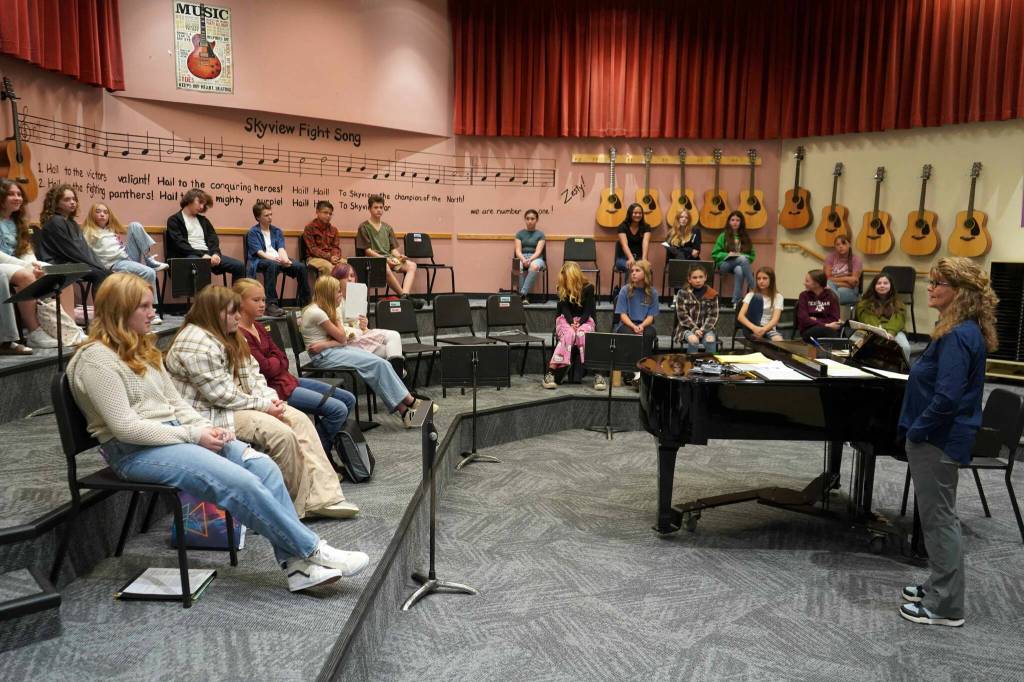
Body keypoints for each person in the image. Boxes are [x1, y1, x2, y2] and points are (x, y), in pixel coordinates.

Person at [66, 272, 369, 592]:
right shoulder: (95, 359)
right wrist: (193, 436)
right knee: (239, 480)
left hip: (173, 435)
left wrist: (201, 427)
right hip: (135, 451)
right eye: (144, 306)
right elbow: (126, 428)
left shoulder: (140, 349)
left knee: (262, 466)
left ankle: (296, 569)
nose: (153, 312)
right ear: (119, 310)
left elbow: (176, 403)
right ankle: (311, 550)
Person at [164, 285, 358, 520]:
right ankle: (292, 506)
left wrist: (270, 400)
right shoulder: (196, 343)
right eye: (232, 312)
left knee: (299, 419)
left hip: (238, 404)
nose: (238, 317)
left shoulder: (231, 334)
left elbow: (254, 375)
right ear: (212, 313)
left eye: (238, 311)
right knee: (281, 434)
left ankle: (323, 497)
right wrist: (265, 406)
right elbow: (221, 396)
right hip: (210, 414)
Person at [897, 257, 997, 628]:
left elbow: (947, 398)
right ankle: (939, 586)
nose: (930, 287)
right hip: (939, 436)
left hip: (938, 438)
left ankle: (946, 606)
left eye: (939, 283)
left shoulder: (957, 335)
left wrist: (918, 431)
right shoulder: (958, 328)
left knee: (939, 520)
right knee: (937, 517)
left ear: (960, 292)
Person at [234, 279, 356, 459]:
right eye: (256, 300)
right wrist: (277, 362)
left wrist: (276, 362)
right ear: (240, 302)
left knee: (348, 399)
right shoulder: (239, 334)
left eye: (264, 300)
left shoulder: (258, 326)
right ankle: (318, 457)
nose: (262, 305)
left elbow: (283, 358)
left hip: (287, 379)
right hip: (274, 390)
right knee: (337, 409)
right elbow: (265, 369)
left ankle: (316, 446)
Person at [301, 275, 431, 428]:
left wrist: (324, 343)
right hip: (325, 356)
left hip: (331, 350)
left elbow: (340, 340)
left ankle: (405, 412)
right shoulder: (318, 312)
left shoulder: (323, 308)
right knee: (376, 363)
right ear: (328, 293)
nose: (341, 294)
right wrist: (335, 319)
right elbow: (342, 338)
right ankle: (412, 402)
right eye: (337, 292)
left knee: (381, 363)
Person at [81, 203, 165, 325]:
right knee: (149, 272)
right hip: (114, 264)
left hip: (125, 257)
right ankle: (150, 311)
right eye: (98, 211)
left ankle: (148, 259)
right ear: (92, 215)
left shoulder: (110, 230)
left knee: (134, 225)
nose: (102, 214)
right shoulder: (88, 232)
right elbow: (86, 255)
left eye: (105, 212)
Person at [0, 178, 58, 350]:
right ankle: (34, 332)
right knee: (25, 275)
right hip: (4, 264)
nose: (17, 198)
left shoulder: (17, 222)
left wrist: (34, 264)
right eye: (11, 194)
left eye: (19, 194)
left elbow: (25, 250)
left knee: (56, 271)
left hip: (14, 264)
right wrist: (26, 267)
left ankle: (62, 328)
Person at [331, 262, 406, 378]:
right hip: (347, 343)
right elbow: (338, 329)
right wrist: (359, 330)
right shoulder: (333, 299)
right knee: (391, 351)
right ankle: (399, 380)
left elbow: (361, 327)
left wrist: (364, 325)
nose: (350, 279)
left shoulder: (357, 297)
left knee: (393, 339)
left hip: (360, 338)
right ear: (336, 280)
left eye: (352, 276)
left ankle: (397, 378)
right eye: (346, 277)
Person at [355, 195, 422, 309]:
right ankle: (405, 297)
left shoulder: (387, 227)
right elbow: (367, 251)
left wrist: (399, 256)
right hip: (373, 260)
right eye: (375, 207)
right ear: (369, 209)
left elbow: (393, 249)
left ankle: (404, 295)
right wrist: (385, 259)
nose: (379, 210)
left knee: (412, 265)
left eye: (381, 207)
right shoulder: (363, 227)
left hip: (389, 258)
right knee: (384, 266)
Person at [542, 261, 602, 391]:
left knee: (583, 335)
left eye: (565, 276)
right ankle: (550, 373)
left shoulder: (589, 288)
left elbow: (588, 310)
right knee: (569, 334)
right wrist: (571, 323)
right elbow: (564, 309)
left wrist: (579, 323)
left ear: (573, 276)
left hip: (584, 319)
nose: (562, 278)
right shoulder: (561, 287)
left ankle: (598, 374)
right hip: (565, 319)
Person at [35, 184, 109, 287]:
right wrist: (97, 267)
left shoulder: (72, 223)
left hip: (72, 263)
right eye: (67, 199)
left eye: (74, 199)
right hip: (56, 266)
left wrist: (100, 265)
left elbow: (85, 248)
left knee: (105, 273)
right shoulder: (55, 222)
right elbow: (71, 251)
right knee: (99, 274)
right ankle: (102, 303)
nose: (73, 202)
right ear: (56, 203)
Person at [245, 201, 311, 316]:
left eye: (271, 214)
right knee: (272, 265)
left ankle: (306, 303)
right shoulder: (253, 232)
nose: (270, 217)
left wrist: (284, 260)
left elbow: (281, 248)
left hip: (278, 259)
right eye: (266, 215)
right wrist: (276, 260)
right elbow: (260, 253)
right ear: (258, 217)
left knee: (300, 267)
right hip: (260, 260)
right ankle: (271, 304)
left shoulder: (277, 231)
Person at [165, 189, 245, 283]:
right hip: (187, 255)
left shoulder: (203, 221)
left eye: (204, 204)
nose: (202, 207)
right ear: (190, 199)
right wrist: (202, 255)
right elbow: (180, 244)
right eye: (200, 202)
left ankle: (238, 297)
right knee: (200, 263)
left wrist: (215, 253)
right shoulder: (174, 220)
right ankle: (203, 297)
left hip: (208, 254)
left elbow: (213, 239)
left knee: (239, 266)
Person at [855, 273, 911, 361]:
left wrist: (890, 333)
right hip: (873, 331)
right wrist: (880, 332)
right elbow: (867, 319)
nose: (882, 286)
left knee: (905, 347)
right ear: (874, 286)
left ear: (891, 286)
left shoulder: (898, 302)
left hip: (894, 332)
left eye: (885, 283)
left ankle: (903, 371)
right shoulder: (864, 303)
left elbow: (898, 321)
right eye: (879, 283)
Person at [614, 259, 659, 360]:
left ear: (646, 274)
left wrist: (642, 326)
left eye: (637, 271)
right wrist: (634, 326)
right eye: (632, 271)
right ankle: (628, 370)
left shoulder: (653, 292)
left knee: (648, 334)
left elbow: (650, 317)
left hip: (645, 324)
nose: (633, 273)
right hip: (627, 324)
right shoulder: (625, 290)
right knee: (629, 335)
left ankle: (644, 369)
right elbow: (623, 315)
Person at [711, 210, 755, 308]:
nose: (735, 222)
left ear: (741, 222)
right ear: (729, 222)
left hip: (739, 264)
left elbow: (752, 256)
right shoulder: (723, 236)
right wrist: (727, 254)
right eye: (732, 220)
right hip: (724, 264)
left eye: (737, 220)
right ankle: (754, 287)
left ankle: (736, 301)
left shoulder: (745, 237)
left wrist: (740, 255)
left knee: (739, 270)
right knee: (742, 259)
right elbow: (715, 254)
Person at [674, 264, 719, 354]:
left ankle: (710, 364)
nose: (698, 280)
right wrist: (694, 329)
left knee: (710, 340)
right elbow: (682, 315)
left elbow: (713, 316)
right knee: (694, 340)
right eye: (694, 278)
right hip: (686, 328)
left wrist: (702, 330)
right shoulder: (682, 293)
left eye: (700, 277)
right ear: (689, 279)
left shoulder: (712, 293)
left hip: (706, 328)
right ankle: (691, 364)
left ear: (705, 277)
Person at [737, 266, 784, 343]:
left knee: (779, 341)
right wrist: (754, 328)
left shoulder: (778, 297)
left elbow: (775, 320)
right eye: (758, 279)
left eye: (764, 278)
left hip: (768, 328)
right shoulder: (751, 295)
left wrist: (763, 330)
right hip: (751, 327)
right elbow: (740, 316)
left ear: (771, 280)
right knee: (758, 297)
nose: (761, 281)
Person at [614, 203, 651, 296]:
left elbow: (645, 242)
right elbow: (624, 244)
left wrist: (644, 259)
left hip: (639, 258)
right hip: (623, 258)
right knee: (631, 267)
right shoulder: (622, 226)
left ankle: (645, 295)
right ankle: (627, 294)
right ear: (630, 214)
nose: (638, 215)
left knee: (645, 268)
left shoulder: (646, 227)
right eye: (635, 213)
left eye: (640, 213)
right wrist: (630, 258)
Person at [302, 201, 346, 278]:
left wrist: (335, 256)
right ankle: (328, 290)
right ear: (317, 212)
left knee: (348, 265)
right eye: (325, 213)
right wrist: (329, 257)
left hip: (331, 257)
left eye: (330, 214)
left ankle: (343, 290)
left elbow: (336, 247)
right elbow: (313, 249)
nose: (328, 215)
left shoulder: (334, 229)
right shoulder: (309, 228)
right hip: (314, 258)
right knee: (329, 267)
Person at [796, 269, 841, 342]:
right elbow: (803, 320)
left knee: (838, 330)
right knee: (829, 332)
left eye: (807, 281)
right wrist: (826, 325)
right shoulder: (803, 296)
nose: (804, 283)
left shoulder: (831, 296)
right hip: (808, 330)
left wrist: (816, 320)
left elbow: (835, 319)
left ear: (817, 283)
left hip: (828, 329)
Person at [514, 209, 546, 299]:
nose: (530, 221)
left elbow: (538, 252)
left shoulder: (540, 235)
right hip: (522, 257)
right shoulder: (519, 234)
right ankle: (523, 297)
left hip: (537, 258)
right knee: (517, 266)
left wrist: (530, 259)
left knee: (534, 266)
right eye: (527, 219)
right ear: (525, 219)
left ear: (536, 220)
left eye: (532, 219)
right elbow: (518, 251)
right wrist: (523, 259)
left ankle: (522, 294)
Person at [824, 235, 862, 305]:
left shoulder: (856, 260)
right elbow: (827, 278)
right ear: (835, 246)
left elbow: (853, 283)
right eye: (837, 244)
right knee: (828, 291)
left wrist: (834, 281)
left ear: (849, 245)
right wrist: (847, 279)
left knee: (830, 293)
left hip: (851, 291)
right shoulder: (830, 258)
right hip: (833, 286)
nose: (840, 246)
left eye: (844, 243)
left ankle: (829, 311)